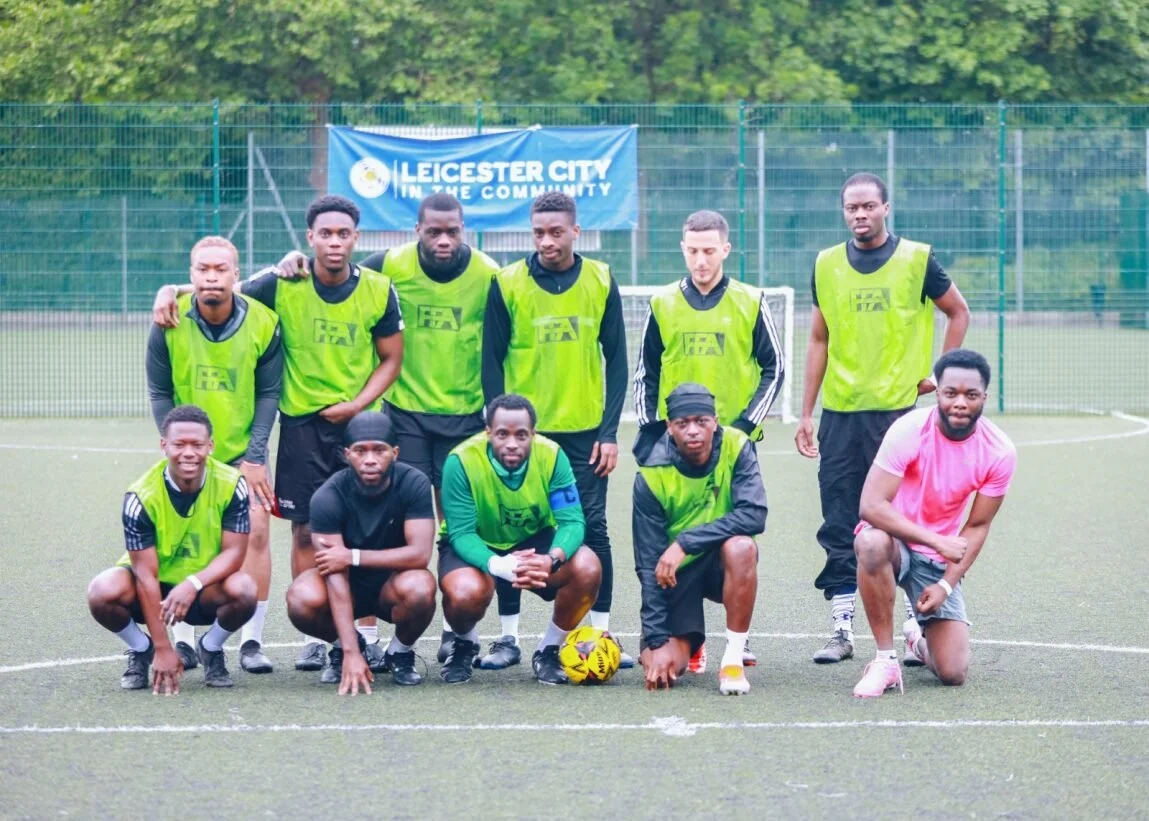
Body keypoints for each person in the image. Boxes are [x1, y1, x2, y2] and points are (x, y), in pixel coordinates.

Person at [151, 195, 404, 673]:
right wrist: (169, 288)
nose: (334, 241)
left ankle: (366, 635)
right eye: (324, 234)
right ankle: (316, 634)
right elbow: (220, 286)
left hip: (360, 427)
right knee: (307, 530)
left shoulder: (379, 289)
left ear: (355, 238)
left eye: (343, 234)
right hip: (302, 427)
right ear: (309, 238)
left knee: (366, 529)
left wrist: (355, 404)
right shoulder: (282, 281)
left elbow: (392, 358)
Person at [272, 193, 499, 662]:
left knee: (458, 525)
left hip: (465, 416)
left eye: (451, 231)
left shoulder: (489, 273)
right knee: (382, 525)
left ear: (465, 230)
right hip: (406, 417)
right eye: (432, 230)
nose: (442, 239)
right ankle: (348, 637)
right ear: (416, 229)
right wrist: (292, 259)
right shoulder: (388, 266)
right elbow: (335, 268)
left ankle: (462, 633)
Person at [795, 172, 971, 665]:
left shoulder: (917, 259)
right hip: (841, 414)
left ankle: (914, 625)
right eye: (852, 207)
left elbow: (958, 312)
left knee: (903, 521)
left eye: (869, 206)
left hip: (899, 415)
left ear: (886, 208)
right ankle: (841, 627)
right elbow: (818, 340)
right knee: (839, 521)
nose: (860, 215)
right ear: (843, 211)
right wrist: (807, 412)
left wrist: (940, 377)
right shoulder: (826, 264)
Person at [481, 191, 629, 669]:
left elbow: (619, 361)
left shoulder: (601, 278)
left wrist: (609, 432)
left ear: (575, 231)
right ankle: (507, 638)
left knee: (595, 528)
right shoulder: (507, 282)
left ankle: (601, 633)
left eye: (556, 232)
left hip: (586, 433)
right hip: (523, 437)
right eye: (539, 232)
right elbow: (491, 362)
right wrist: (498, 429)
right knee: (509, 528)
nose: (547, 241)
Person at [633, 209, 784, 672]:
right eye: (693, 251)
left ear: (725, 249)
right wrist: (651, 430)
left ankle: (737, 639)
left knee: (737, 536)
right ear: (683, 249)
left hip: (729, 441)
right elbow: (646, 374)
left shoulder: (750, 300)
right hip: (675, 443)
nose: (701, 260)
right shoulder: (662, 303)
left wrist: (741, 426)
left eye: (709, 250)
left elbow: (774, 369)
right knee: (671, 530)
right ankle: (687, 635)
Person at [146, 236, 281, 675]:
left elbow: (268, 393)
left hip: (243, 453)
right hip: (189, 453)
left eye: (220, 269)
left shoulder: (263, 321)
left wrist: (255, 456)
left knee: (257, 533)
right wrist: (177, 448)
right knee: (186, 536)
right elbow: (160, 391)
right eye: (202, 269)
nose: (211, 276)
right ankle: (184, 641)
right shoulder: (167, 320)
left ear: (236, 275)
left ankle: (252, 642)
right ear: (191, 276)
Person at [851, 349, 1016, 697]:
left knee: (953, 673)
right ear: (937, 392)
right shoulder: (909, 429)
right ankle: (885, 661)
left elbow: (977, 526)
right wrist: (937, 540)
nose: (960, 403)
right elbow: (871, 505)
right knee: (870, 543)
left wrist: (945, 585)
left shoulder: (999, 451)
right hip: (893, 539)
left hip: (936, 558)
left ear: (984, 397)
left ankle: (918, 640)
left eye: (971, 395)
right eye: (950, 393)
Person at [86, 405, 257, 693]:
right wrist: (163, 647)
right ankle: (142, 649)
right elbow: (144, 575)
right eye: (179, 444)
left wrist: (192, 583)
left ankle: (210, 648)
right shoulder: (140, 495)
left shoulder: (233, 484)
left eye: (197, 444)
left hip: (204, 588)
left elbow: (235, 554)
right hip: (153, 589)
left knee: (245, 589)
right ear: (164, 445)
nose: (188, 452)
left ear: (210, 446)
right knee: (101, 591)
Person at [436, 394, 601, 685]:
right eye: (502, 434)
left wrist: (552, 559)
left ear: (533, 434)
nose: (512, 443)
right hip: (478, 545)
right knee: (463, 592)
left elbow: (572, 521)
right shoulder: (459, 461)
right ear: (488, 432)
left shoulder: (552, 455)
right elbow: (460, 533)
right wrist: (497, 564)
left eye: (521, 435)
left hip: (533, 543)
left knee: (587, 566)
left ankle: (549, 649)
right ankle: (464, 643)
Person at [285, 412, 437, 693]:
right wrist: (352, 651)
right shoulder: (327, 497)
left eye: (379, 450)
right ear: (346, 455)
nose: (369, 459)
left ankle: (400, 652)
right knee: (300, 597)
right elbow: (335, 574)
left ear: (395, 452)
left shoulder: (413, 483)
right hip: (346, 586)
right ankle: (344, 647)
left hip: (392, 585)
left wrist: (352, 556)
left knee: (421, 586)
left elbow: (420, 555)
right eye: (360, 451)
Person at [633, 384, 767, 695]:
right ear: (669, 427)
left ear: (715, 421)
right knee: (666, 668)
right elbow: (648, 561)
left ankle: (732, 659)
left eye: (701, 421)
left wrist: (685, 543)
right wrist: (655, 640)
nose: (693, 431)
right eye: (682, 423)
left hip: (720, 561)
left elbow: (754, 515)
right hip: (675, 576)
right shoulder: (650, 474)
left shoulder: (737, 446)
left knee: (742, 547)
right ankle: (693, 642)